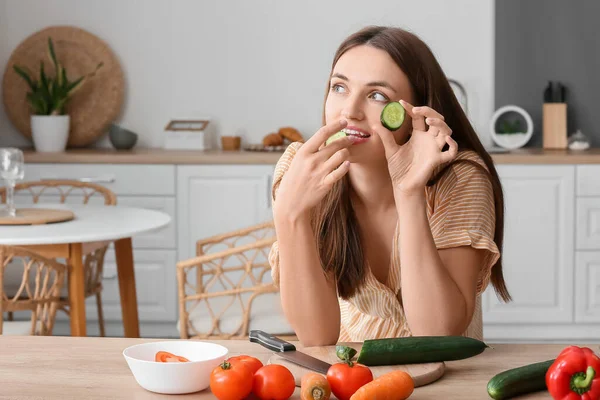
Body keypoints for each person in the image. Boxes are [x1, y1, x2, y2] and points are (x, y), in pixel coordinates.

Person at [268, 25, 511, 347]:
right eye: (339, 87)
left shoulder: (459, 178)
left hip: (448, 381)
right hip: (354, 376)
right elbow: (316, 337)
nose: (349, 111)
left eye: (377, 96)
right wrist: (289, 214)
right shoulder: (302, 169)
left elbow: (437, 335)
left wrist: (409, 191)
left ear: (418, 113)